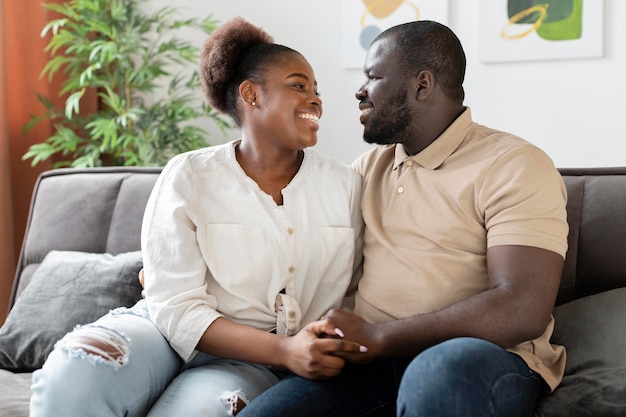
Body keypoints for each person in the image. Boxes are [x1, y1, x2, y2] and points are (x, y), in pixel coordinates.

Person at [29, 17, 366, 417]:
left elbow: (355, 295)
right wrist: (286, 350)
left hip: (250, 362)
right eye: (298, 86)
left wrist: (301, 349)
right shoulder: (188, 175)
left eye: (316, 91)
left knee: (203, 410)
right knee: (78, 370)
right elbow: (173, 305)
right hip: (160, 334)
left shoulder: (345, 185)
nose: (315, 100)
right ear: (251, 94)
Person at [237, 20, 569, 417]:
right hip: (371, 362)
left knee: (441, 372)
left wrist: (379, 336)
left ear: (422, 85)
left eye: (373, 77)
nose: (359, 91)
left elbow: (523, 305)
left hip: (478, 358)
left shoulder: (513, 164)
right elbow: (296, 246)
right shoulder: (366, 168)